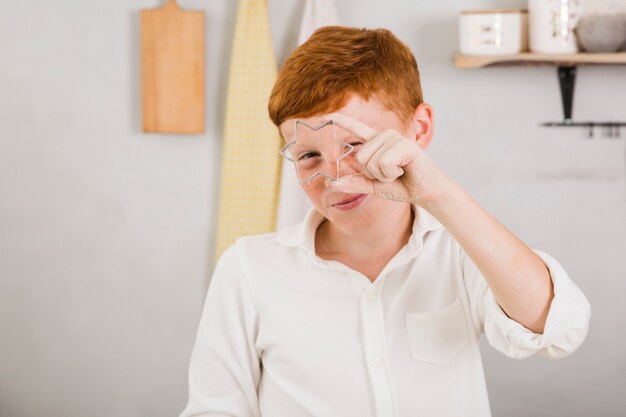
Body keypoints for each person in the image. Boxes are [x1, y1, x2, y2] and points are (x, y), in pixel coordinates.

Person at [179, 26, 590, 417]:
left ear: (420, 128)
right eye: (308, 156)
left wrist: (437, 194)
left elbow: (557, 330)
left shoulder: (461, 251)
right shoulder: (249, 270)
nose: (335, 178)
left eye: (356, 146)